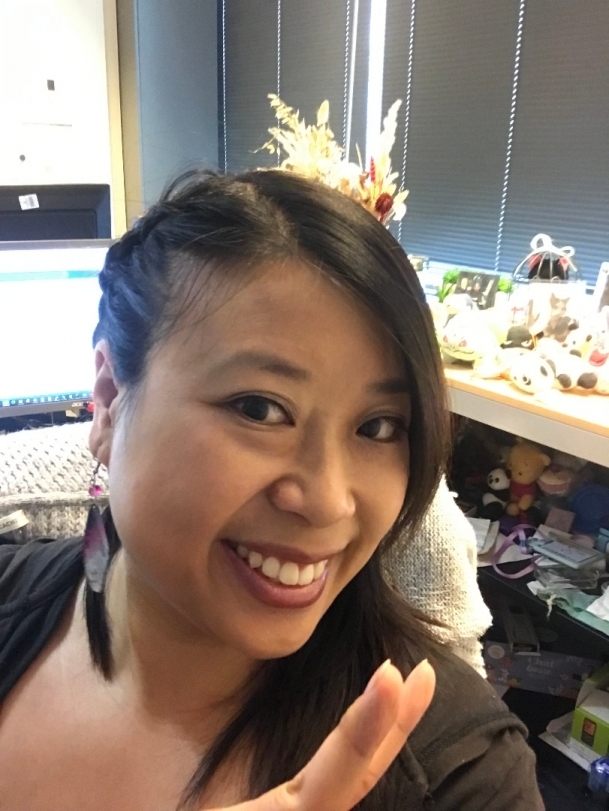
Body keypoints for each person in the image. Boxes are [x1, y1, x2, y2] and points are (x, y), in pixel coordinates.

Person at [0, 170, 544, 810]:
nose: (328, 500)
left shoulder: (464, 775)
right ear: (111, 399)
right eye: (259, 409)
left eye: (378, 427)